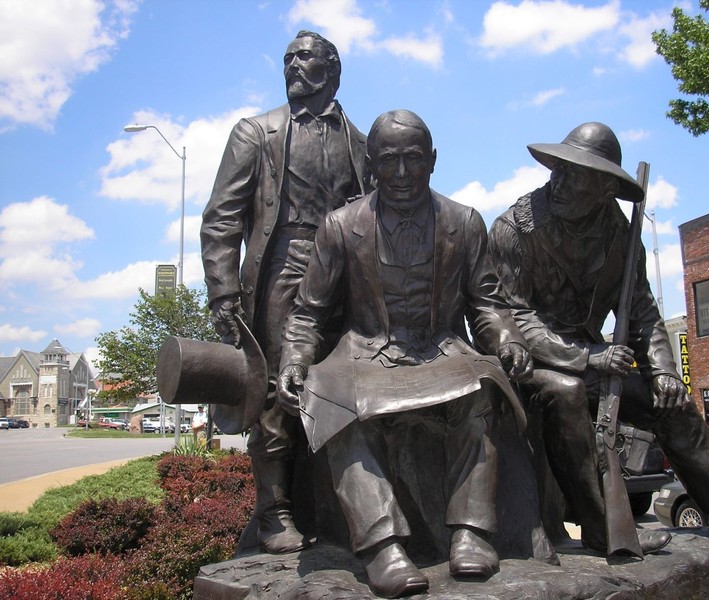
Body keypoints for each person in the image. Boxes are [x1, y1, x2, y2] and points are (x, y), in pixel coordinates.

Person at [488, 122, 709, 553]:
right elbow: (513, 316)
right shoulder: (515, 228)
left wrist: (664, 371)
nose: (559, 181)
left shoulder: (620, 235)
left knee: (674, 403)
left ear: (603, 189)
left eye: (574, 175)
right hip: (535, 361)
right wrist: (589, 356)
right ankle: (602, 529)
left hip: (598, 359)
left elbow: (643, 311)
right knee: (568, 393)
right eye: (559, 169)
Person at [278, 110, 533, 598]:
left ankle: (472, 533)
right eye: (388, 161)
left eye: (412, 160)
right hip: (366, 356)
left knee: (484, 388)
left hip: (441, 351)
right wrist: (294, 360)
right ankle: (382, 546)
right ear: (370, 163)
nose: (399, 173)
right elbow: (308, 313)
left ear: (432, 161)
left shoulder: (464, 222)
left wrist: (509, 339)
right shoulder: (340, 226)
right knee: (330, 402)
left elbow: (487, 303)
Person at [200, 31, 370, 555]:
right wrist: (223, 291)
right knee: (277, 387)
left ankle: (339, 507)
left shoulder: (360, 141)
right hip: (283, 266)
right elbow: (222, 217)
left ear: (333, 69)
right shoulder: (256, 132)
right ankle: (273, 514)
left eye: (305, 57)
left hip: (343, 269)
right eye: (287, 58)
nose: (293, 65)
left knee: (343, 384)